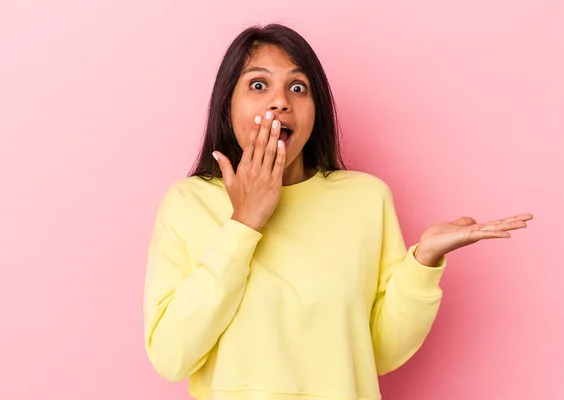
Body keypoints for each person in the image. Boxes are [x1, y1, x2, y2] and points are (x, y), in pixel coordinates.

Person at [142, 23, 532, 400]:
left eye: (298, 87)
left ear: (316, 112)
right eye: (258, 85)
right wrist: (244, 223)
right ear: (227, 105)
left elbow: (377, 351)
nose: (280, 101)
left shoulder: (365, 199)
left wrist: (424, 263)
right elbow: (171, 356)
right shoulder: (188, 203)